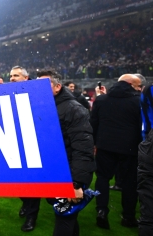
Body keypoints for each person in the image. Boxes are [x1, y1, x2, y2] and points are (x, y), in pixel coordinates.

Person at [37, 70, 95, 236]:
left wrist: (76, 184)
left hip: (69, 176)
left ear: (57, 87)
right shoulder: (42, 106)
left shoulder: (74, 109)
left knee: (64, 219)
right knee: (67, 216)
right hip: (54, 172)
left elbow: (83, 149)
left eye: (44, 84)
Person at [90, 74, 142, 229]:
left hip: (105, 146)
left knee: (102, 178)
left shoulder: (101, 100)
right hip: (130, 148)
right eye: (138, 86)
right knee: (130, 183)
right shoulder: (138, 101)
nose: (139, 89)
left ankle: (101, 211)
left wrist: (95, 143)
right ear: (131, 84)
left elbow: (94, 123)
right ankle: (128, 217)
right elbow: (142, 125)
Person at [9, 66, 39, 231]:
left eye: (16, 75)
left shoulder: (36, 93)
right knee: (18, 181)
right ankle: (27, 203)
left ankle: (31, 217)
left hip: (33, 144)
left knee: (33, 183)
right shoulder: (9, 93)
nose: (12, 78)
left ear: (26, 78)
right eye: (11, 75)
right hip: (14, 144)